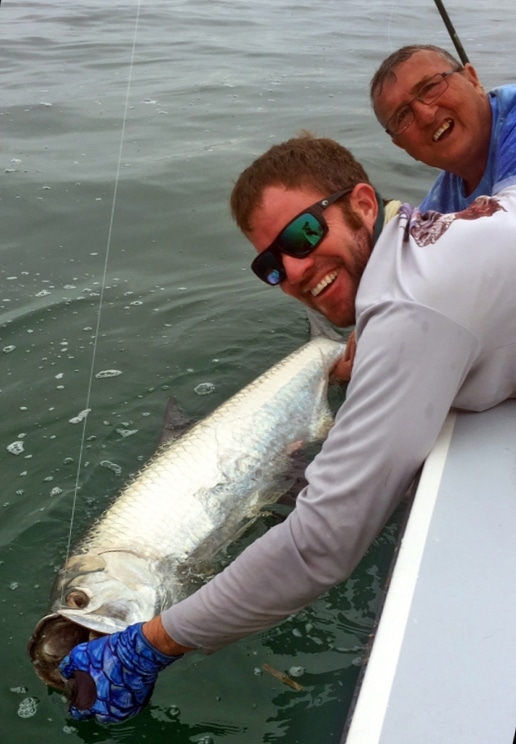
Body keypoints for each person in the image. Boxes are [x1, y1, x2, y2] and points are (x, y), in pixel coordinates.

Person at [58, 134, 516, 723]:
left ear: (364, 204)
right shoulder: (459, 230)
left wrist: (150, 645)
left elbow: (320, 545)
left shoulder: (411, 312)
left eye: (304, 234)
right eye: (272, 265)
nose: (296, 270)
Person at [370, 44, 516, 212]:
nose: (426, 116)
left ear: (472, 80)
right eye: (402, 116)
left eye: (430, 87)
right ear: (401, 145)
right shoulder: (438, 205)